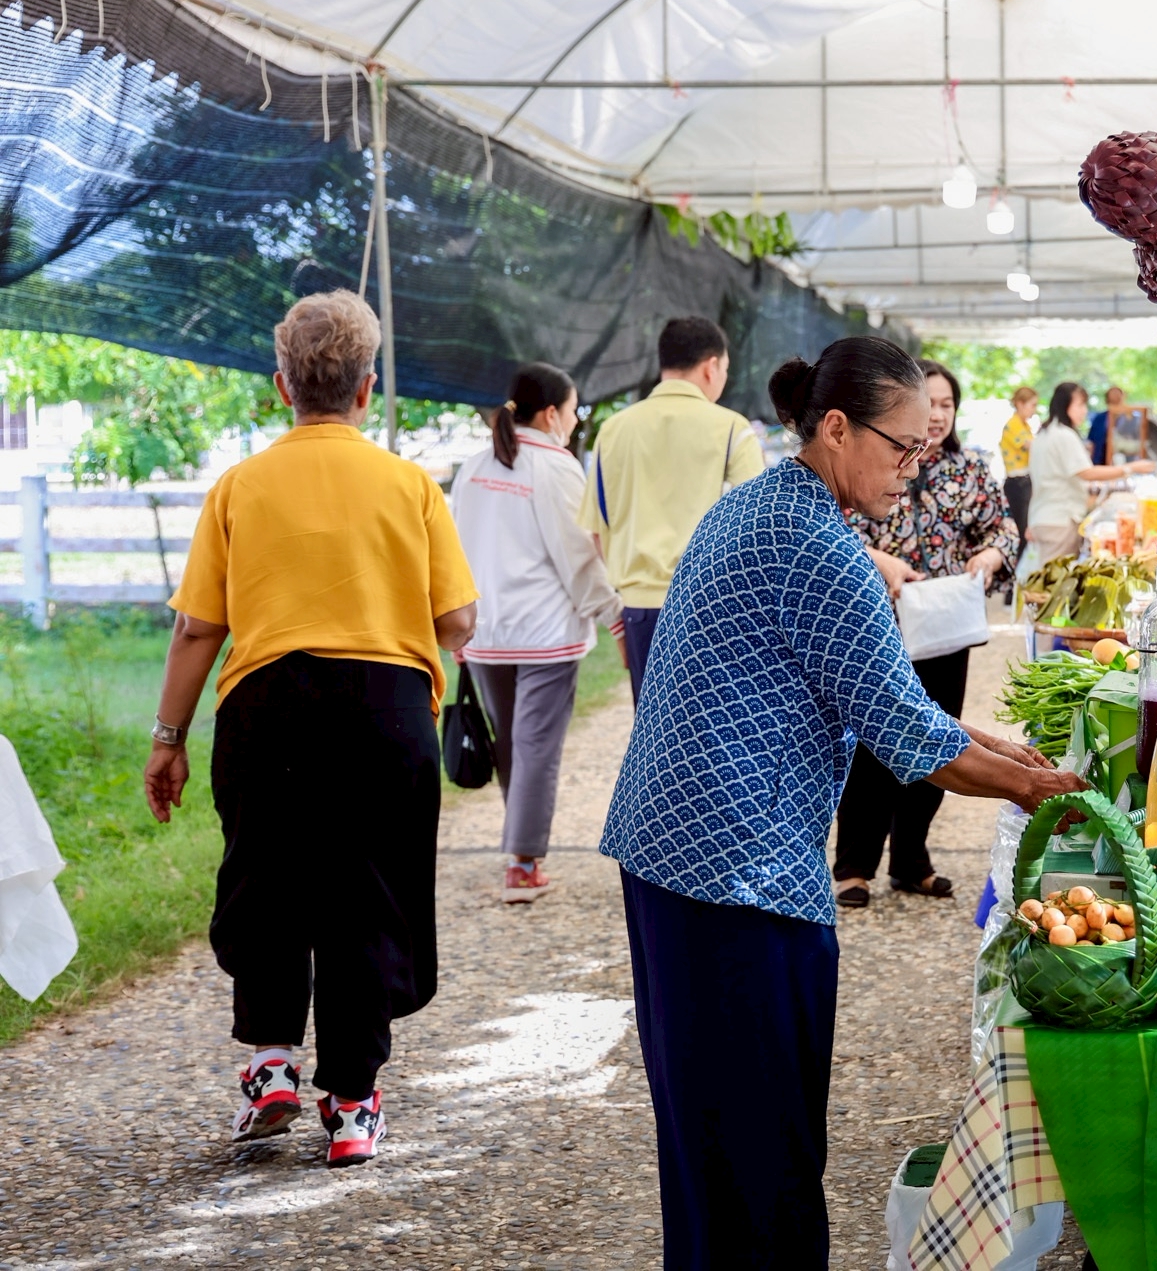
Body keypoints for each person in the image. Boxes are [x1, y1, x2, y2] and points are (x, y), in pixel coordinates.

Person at [600, 337, 1086, 1269]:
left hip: (673, 855)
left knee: (709, 1147)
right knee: (762, 1148)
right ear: (834, 427)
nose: (914, 470)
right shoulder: (820, 547)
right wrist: (1034, 785)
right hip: (733, 874)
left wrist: (1005, 748)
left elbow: (884, 693)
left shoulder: (763, 506)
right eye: (901, 448)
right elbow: (909, 735)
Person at [143, 291, 478, 1168]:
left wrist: (168, 736)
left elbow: (197, 629)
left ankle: (270, 1066)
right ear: (367, 387)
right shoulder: (409, 484)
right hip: (387, 708)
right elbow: (460, 620)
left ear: (280, 385)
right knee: (370, 895)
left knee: (267, 879)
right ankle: (355, 1103)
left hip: (268, 707)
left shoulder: (239, 485)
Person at [834, 360, 1019, 908]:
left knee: (937, 742)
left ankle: (912, 858)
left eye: (946, 405)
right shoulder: (870, 463)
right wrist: (877, 560)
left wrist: (991, 552)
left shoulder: (971, 471)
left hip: (945, 628)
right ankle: (853, 864)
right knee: (872, 746)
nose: (937, 416)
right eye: (928, 404)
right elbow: (834, 531)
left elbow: (1003, 527)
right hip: (879, 625)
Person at [452, 362, 624, 905]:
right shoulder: (556, 467)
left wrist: (455, 628)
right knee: (535, 748)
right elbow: (578, 557)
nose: (573, 424)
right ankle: (522, 864)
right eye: (573, 413)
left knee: (511, 745)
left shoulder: (473, 467)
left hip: (484, 632)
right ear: (551, 413)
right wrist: (613, 614)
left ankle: (518, 851)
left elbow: (455, 553)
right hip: (545, 635)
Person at [579, 316, 763, 703]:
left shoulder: (613, 430)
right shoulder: (731, 428)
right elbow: (757, 525)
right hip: (713, 609)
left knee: (653, 742)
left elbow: (597, 532)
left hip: (640, 611)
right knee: (715, 738)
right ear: (711, 366)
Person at [1027, 382, 1155, 560]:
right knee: (1055, 583)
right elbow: (1087, 472)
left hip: (1044, 517)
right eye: (1080, 405)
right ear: (1065, 405)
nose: (1084, 410)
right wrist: (1130, 468)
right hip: (1059, 520)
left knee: (1049, 578)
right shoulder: (1063, 435)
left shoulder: (1045, 433)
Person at [1000, 384, 1037, 531]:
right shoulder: (1013, 425)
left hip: (1025, 480)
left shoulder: (1025, 426)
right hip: (1017, 483)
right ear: (1020, 404)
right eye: (1032, 405)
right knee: (1021, 529)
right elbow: (1030, 445)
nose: (1034, 409)